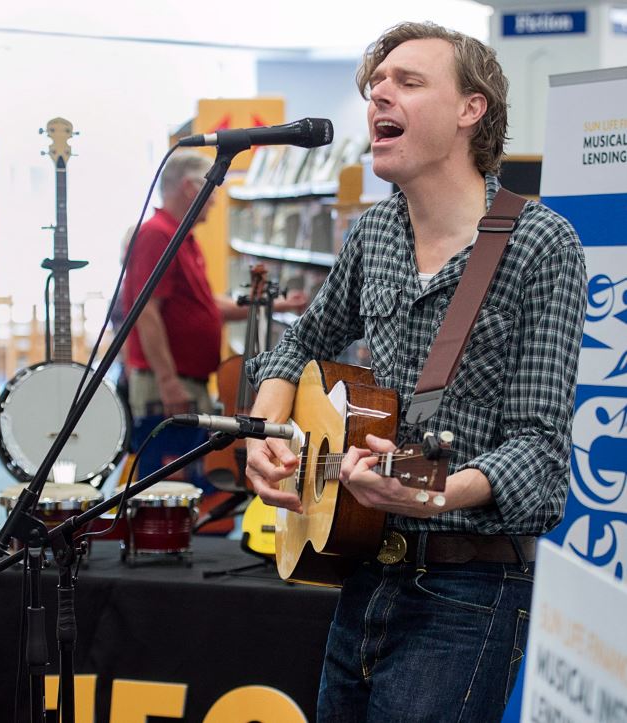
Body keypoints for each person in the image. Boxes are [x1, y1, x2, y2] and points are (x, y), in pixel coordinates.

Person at [244, 21, 586, 721]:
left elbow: (540, 454)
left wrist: (436, 492)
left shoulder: (542, 244)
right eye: (375, 85)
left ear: (471, 109)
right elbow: (302, 338)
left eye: (408, 81)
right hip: (363, 569)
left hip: (468, 590)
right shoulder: (375, 233)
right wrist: (264, 429)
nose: (379, 95)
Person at [122, 150, 306, 486]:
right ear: (192, 188)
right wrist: (167, 381)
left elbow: (207, 306)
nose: (216, 199)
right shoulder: (157, 235)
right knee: (163, 479)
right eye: (214, 188)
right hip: (167, 381)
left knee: (186, 476)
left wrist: (275, 305)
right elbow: (146, 312)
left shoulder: (182, 238)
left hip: (186, 379)